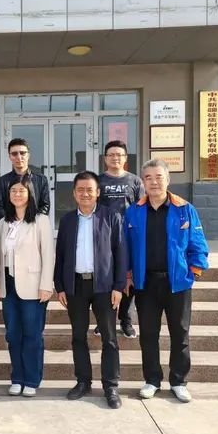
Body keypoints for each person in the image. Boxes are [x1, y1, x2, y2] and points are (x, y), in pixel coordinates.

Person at [125, 159, 209, 404]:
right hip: (145, 283)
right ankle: (152, 380)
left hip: (177, 283)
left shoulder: (185, 209)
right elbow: (125, 247)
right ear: (143, 182)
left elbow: (198, 245)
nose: (153, 182)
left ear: (168, 180)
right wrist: (128, 275)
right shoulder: (134, 211)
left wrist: (193, 272)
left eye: (158, 177)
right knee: (148, 334)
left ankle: (178, 381)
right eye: (148, 177)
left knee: (180, 333)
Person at [54, 171, 128, 409]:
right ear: (74, 194)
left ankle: (111, 386)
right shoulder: (67, 221)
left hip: (104, 286)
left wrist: (119, 286)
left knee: (109, 338)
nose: (85, 194)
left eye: (89, 190)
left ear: (97, 192)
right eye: (80, 190)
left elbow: (121, 253)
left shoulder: (111, 216)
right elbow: (60, 255)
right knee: (78, 336)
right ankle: (83, 381)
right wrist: (60, 286)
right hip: (75, 286)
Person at [0, 174, 54, 398]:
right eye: (13, 191)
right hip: (8, 284)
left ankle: (31, 379)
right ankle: (17, 378)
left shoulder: (40, 220)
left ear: (30, 194)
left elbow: (48, 255)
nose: (17, 194)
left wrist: (46, 284)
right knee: (12, 334)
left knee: (32, 334)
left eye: (21, 190)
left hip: (33, 285)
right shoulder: (4, 222)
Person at [97, 140, 144, 339]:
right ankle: (104, 320)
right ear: (105, 158)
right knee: (105, 278)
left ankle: (125, 319)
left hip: (129, 238)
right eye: (111, 155)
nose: (115, 158)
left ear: (125, 158)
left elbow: (141, 210)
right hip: (104, 238)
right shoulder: (98, 181)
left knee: (127, 279)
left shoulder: (135, 181)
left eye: (119, 155)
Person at [0, 138, 50, 220]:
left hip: (35, 225)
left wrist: (32, 222)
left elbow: (45, 206)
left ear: (28, 155)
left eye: (22, 153)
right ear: (10, 157)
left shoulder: (41, 179)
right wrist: (13, 222)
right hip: (11, 225)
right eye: (14, 154)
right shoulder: (2, 181)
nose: (19, 157)